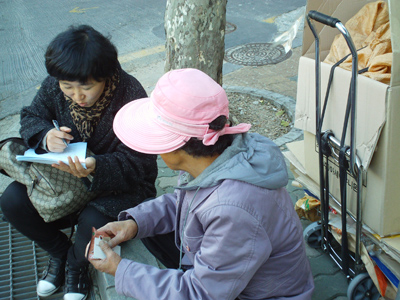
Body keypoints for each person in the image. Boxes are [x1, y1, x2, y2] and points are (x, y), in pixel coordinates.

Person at [89, 68, 315, 299]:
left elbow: (200, 294)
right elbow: (185, 202)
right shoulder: (221, 155)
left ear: (179, 146)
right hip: (233, 272)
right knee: (149, 218)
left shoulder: (232, 208)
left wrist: (119, 269)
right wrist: (134, 223)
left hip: (258, 294)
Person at [0, 25, 158, 300]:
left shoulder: (131, 95)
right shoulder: (55, 84)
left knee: (94, 219)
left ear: (106, 76)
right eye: (67, 87)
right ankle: (60, 252)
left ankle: (76, 265)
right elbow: (31, 116)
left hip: (118, 187)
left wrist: (98, 166)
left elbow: (141, 165)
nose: (76, 96)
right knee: (12, 199)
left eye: (86, 87)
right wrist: (46, 135)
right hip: (65, 180)